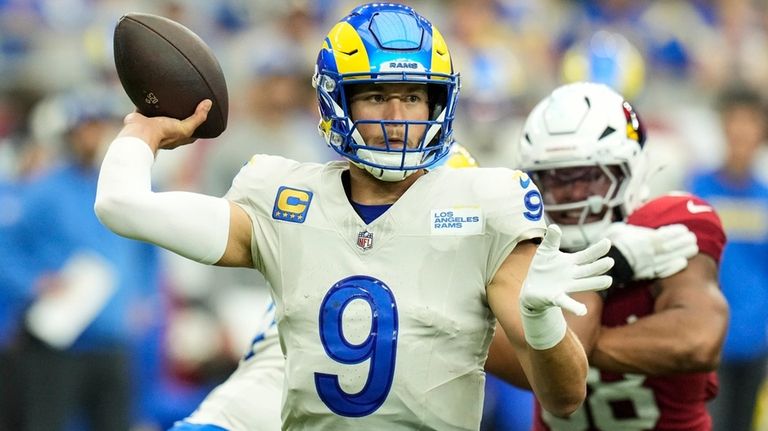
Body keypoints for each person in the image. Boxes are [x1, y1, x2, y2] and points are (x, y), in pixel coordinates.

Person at [95, 4, 616, 429]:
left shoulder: (484, 202)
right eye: (376, 96)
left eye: (413, 96)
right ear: (333, 101)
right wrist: (142, 133)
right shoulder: (283, 196)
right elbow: (121, 205)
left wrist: (544, 323)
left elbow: (565, 397)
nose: (397, 117)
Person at [504, 82, 728, 430]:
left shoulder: (668, 223)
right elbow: (522, 372)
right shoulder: (519, 242)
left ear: (632, 170)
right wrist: (610, 264)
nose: (576, 194)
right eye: (557, 180)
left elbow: (698, 341)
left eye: (593, 176)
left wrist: (554, 351)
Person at [5, 90, 164, 431]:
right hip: (61, 342)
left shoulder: (132, 187)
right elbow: (6, 249)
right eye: (83, 128)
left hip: (113, 339)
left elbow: (151, 249)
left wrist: (145, 297)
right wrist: (33, 281)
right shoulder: (45, 190)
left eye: (97, 126)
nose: (90, 136)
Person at [687, 84, 768, 431]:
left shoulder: (764, 197)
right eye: (734, 120)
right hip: (708, 343)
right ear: (722, 126)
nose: (741, 131)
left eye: (750, 122)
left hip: (756, 343)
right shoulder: (697, 190)